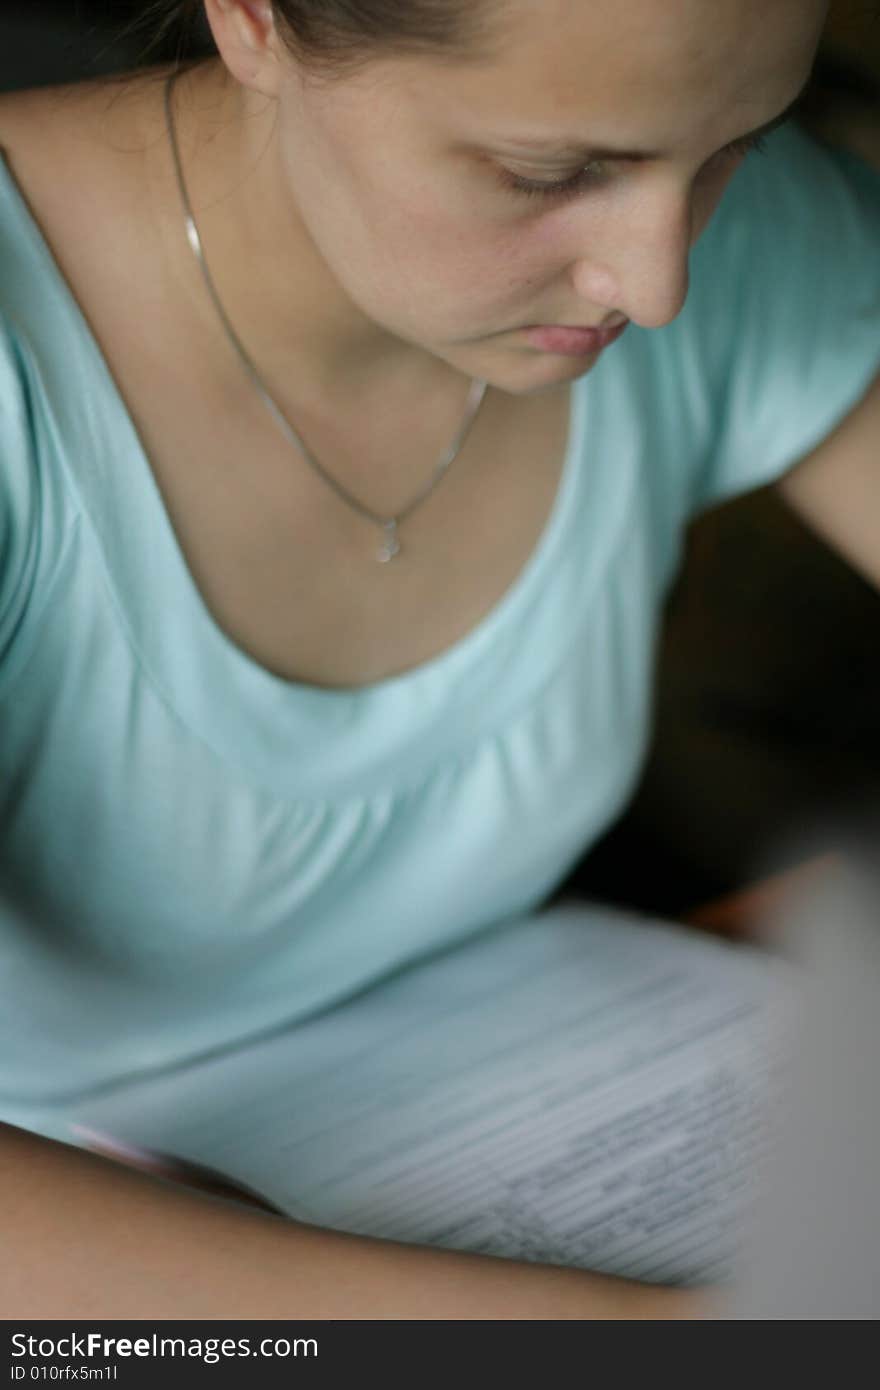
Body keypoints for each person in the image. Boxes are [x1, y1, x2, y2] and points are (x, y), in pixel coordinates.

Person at [1, 0, 878, 1319]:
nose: (656, 284)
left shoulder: (728, 227)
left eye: (736, 146)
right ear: (251, 19)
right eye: (548, 173)